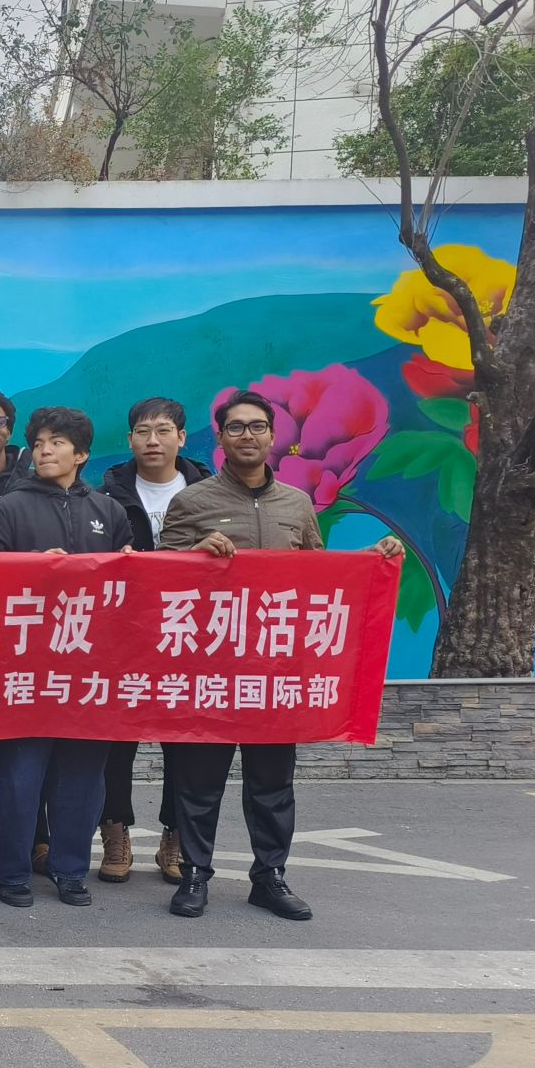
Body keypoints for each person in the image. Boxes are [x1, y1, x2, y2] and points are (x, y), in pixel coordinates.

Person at [157, 390, 403, 920]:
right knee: (197, 783)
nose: (247, 435)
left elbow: (317, 576)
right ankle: (195, 874)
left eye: (257, 426)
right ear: (220, 438)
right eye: (236, 427)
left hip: (274, 673)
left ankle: (269, 877)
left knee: (272, 784)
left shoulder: (296, 504)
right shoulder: (192, 503)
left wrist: (369, 561)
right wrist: (196, 553)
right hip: (211, 669)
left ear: (273, 436)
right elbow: (158, 580)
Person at [0, 407, 132, 910]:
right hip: (24, 669)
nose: (44, 450)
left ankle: (70, 870)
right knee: (19, 778)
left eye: (57, 442)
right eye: (39, 442)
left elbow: (126, 590)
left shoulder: (109, 511)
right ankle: (11, 871)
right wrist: (28, 570)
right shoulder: (9, 508)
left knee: (83, 780)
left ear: (82, 453)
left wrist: (130, 565)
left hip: (90, 671)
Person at [96, 398, 210, 885]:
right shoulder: (106, 495)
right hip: (123, 635)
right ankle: (114, 831)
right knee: (115, 740)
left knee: (184, 741)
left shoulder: (209, 493)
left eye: (163, 430)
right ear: (130, 440)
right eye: (143, 431)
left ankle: (176, 836)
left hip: (189, 634)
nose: (152, 440)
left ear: (181, 437)